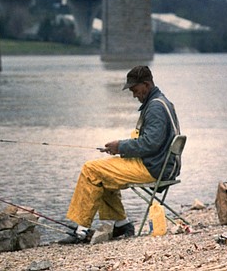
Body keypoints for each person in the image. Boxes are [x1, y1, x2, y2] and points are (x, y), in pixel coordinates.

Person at [60, 65, 181, 243]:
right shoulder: (162, 102)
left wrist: (121, 147)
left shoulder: (155, 107)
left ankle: (82, 231)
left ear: (146, 84)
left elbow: (150, 144)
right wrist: (119, 147)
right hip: (160, 165)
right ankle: (122, 224)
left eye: (135, 89)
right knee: (103, 173)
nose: (134, 94)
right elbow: (151, 142)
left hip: (153, 168)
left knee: (91, 169)